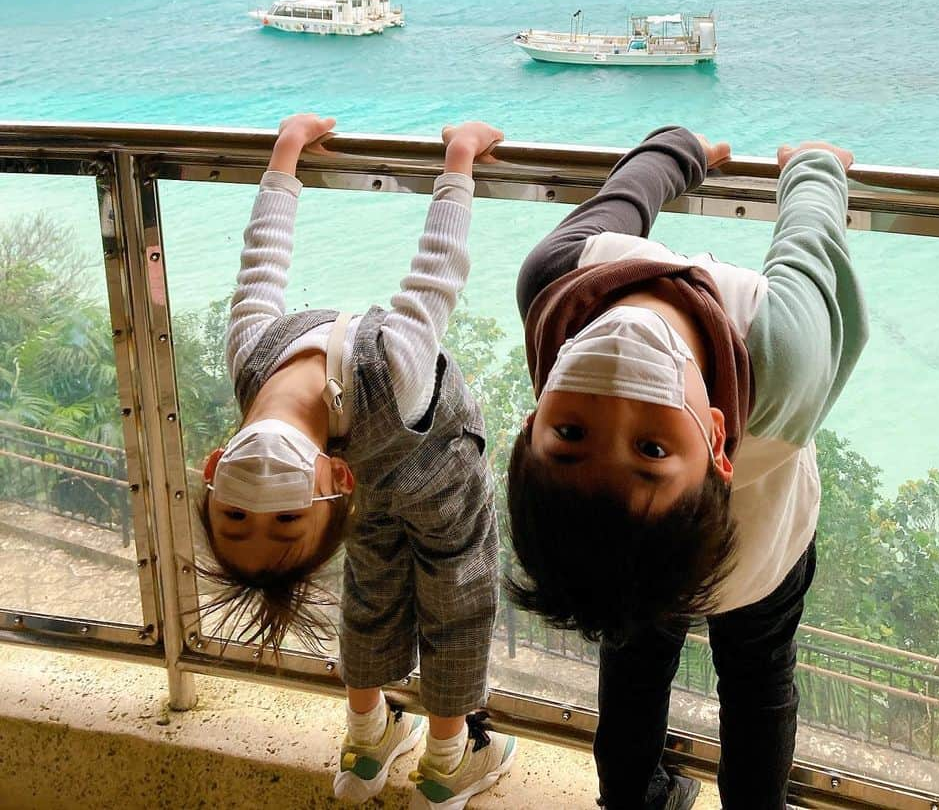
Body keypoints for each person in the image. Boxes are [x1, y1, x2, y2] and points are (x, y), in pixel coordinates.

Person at [506, 125, 869, 810]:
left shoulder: (553, 285)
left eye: (572, 434)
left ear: (532, 426)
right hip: (765, 551)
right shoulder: (779, 355)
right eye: (650, 450)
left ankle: (631, 798)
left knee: (634, 668)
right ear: (714, 434)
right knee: (759, 678)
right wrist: (812, 163)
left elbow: (622, 198)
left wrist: (681, 151)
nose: (619, 402)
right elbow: (809, 249)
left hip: (640, 567)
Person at [199, 113, 516, 810]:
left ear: (214, 466)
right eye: (285, 515)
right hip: (444, 476)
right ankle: (444, 761)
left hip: (373, 493)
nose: (260, 496)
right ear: (333, 480)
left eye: (237, 511)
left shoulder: (250, 359)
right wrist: (458, 160)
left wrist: (286, 153)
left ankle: (369, 737)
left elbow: (262, 258)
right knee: (456, 599)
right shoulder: (392, 371)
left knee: (372, 592)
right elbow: (437, 272)